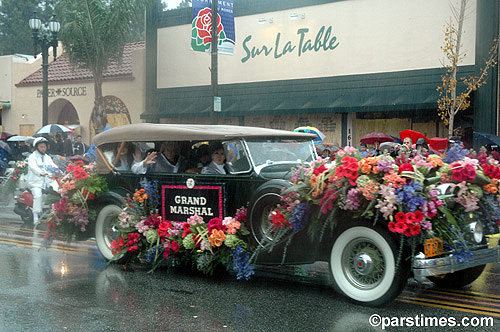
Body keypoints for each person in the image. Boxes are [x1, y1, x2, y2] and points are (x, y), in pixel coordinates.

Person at [27, 137, 59, 228]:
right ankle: (35, 217)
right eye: (41, 147)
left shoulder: (47, 157)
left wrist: (59, 171)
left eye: (44, 147)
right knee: (38, 196)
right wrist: (40, 173)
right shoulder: (32, 157)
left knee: (58, 190)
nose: (43, 149)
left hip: (47, 181)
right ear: (37, 147)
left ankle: (55, 213)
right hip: (35, 182)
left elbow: (53, 166)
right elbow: (33, 167)